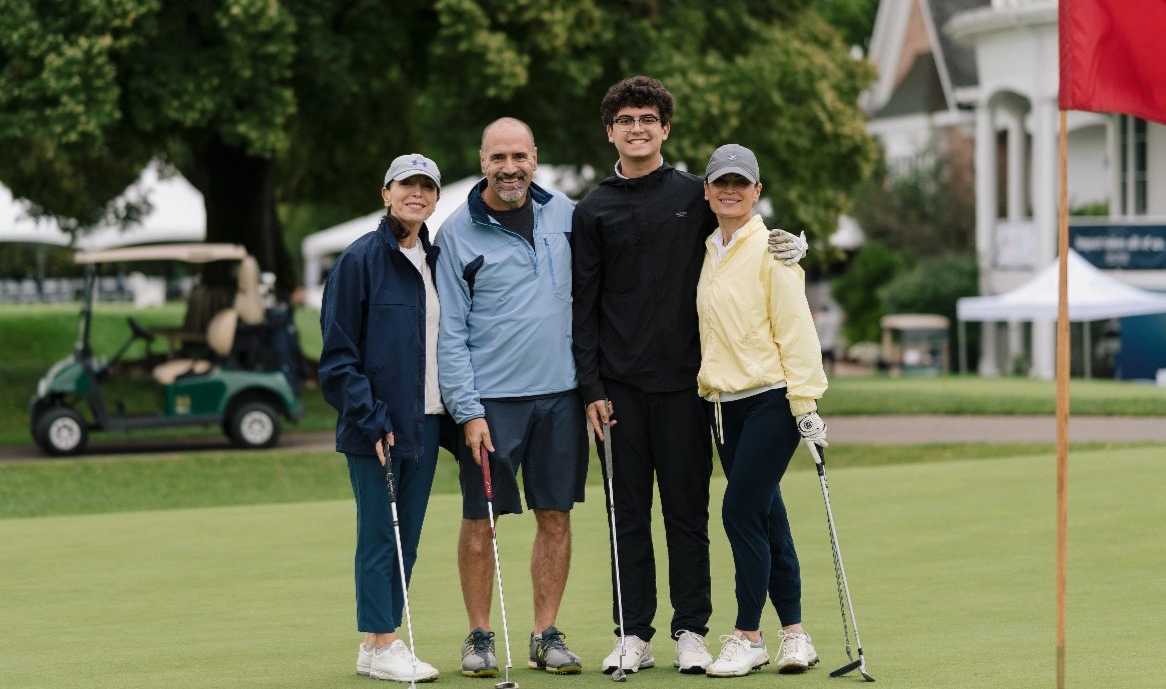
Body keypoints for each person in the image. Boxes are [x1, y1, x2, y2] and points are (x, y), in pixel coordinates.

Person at [572, 76, 807, 675]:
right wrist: (591, 389)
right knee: (627, 514)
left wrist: (789, 249)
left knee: (686, 512)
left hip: (687, 389)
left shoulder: (693, 196)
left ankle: (690, 630)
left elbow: (741, 239)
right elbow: (584, 307)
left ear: (665, 128)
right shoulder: (594, 208)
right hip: (619, 390)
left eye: (648, 118)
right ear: (611, 131)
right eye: (626, 120)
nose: (638, 128)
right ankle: (633, 633)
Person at [436, 117, 587, 677]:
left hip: (562, 396)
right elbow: (450, 332)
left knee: (556, 516)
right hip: (491, 404)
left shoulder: (565, 214)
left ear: (534, 158)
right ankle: (478, 636)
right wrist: (467, 409)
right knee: (482, 520)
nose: (509, 168)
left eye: (518, 157)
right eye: (498, 157)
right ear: (482, 161)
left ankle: (546, 634)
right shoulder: (456, 232)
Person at [693, 143, 829, 677]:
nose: (730, 191)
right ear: (706, 190)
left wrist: (806, 402)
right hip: (723, 408)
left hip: (772, 399)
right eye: (720, 182)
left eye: (741, 183)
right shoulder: (706, 249)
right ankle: (795, 634)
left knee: (739, 511)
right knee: (768, 516)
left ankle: (748, 634)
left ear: (757, 191)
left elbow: (796, 328)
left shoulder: (774, 249)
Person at [318, 153, 447, 683]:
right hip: (378, 426)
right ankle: (387, 639)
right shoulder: (361, 259)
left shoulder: (438, 260)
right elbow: (337, 356)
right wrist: (371, 418)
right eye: (406, 185)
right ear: (385, 192)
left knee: (406, 536)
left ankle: (376, 644)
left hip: (428, 420)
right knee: (380, 533)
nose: (416, 193)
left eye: (426, 186)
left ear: (436, 198)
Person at [813, 304, 843, 377]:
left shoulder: (820, 318)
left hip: (821, 342)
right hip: (831, 342)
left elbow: (817, 330)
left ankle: (822, 374)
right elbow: (837, 329)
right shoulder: (832, 319)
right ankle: (831, 373)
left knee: (822, 360)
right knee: (831, 360)